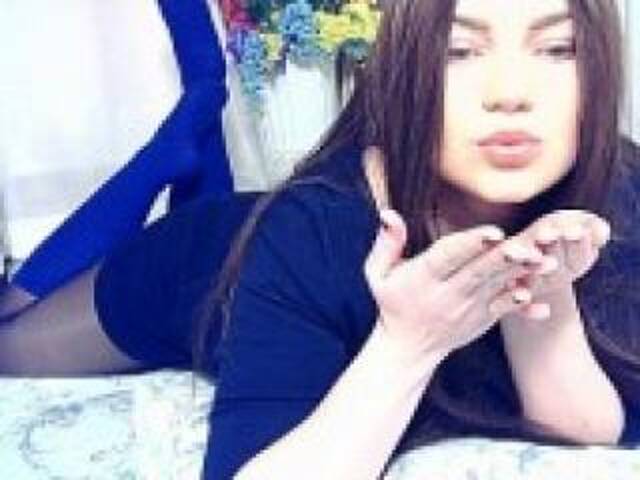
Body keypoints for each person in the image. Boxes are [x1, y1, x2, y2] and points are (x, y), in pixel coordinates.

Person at [1, 0, 639, 479]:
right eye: (459, 51)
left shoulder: (621, 189)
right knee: (10, 338)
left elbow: (589, 426)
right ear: (405, 68)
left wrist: (542, 302)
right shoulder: (317, 229)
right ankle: (161, 161)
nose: (511, 94)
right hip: (195, 264)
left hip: (268, 241)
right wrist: (408, 343)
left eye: (558, 49)